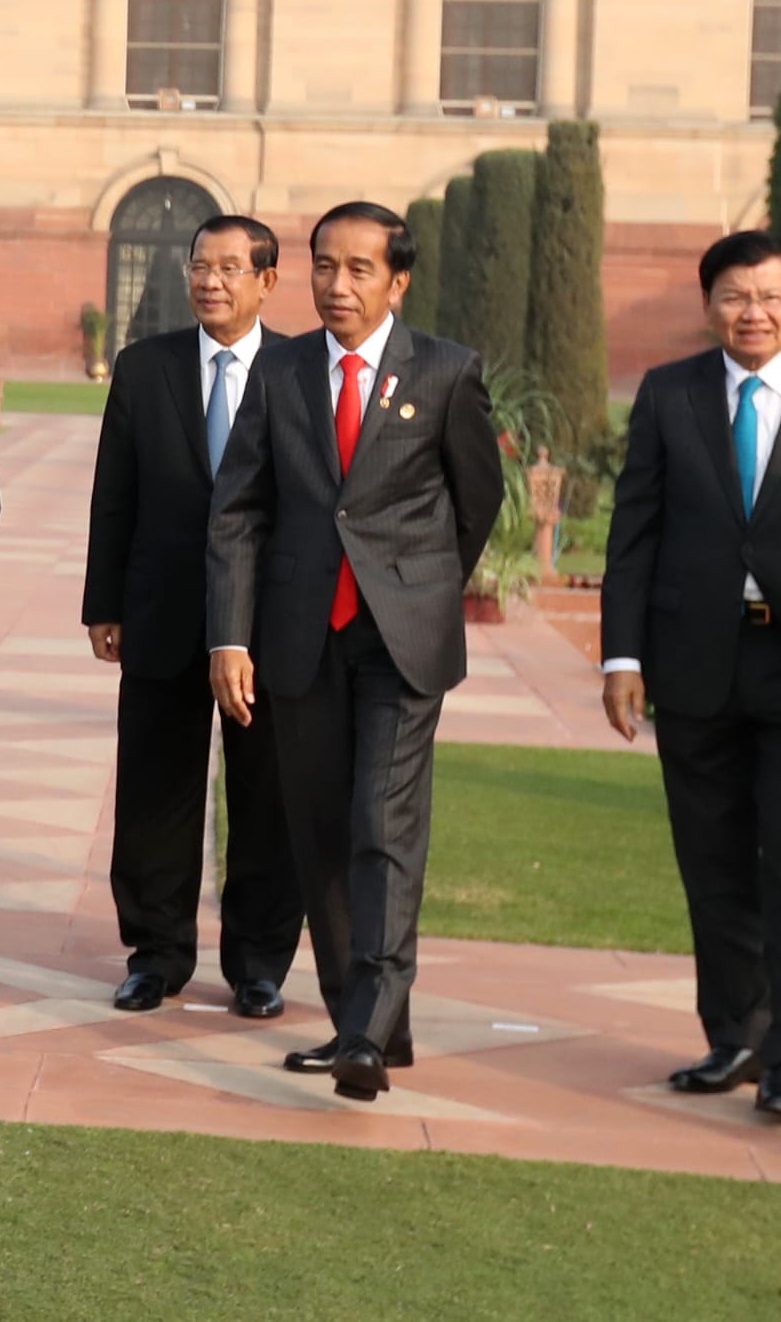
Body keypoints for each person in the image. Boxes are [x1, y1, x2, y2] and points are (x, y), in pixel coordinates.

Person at [600, 229, 781, 1120]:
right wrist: (624, 656)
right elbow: (635, 533)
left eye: (770, 295)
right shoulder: (670, 394)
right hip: (698, 663)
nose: (753, 312)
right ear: (709, 306)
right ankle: (735, 1033)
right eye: (735, 296)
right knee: (714, 859)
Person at [205, 200, 499, 1103]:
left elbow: (476, 501)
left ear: (398, 280)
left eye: (360, 269)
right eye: (324, 266)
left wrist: (417, 588)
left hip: (398, 641)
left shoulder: (445, 371)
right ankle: (361, 1020)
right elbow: (239, 508)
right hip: (297, 639)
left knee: (382, 823)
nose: (337, 284)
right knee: (320, 835)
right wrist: (230, 633)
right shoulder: (282, 370)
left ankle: (368, 1031)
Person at [81, 210, 306, 1019]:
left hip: (273, 623)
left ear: (267, 281)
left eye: (229, 269)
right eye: (199, 267)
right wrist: (102, 601)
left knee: (268, 797)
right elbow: (116, 493)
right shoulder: (146, 368)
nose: (210, 281)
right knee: (154, 791)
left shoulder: (301, 369)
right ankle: (156, 953)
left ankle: (259, 964)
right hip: (160, 611)